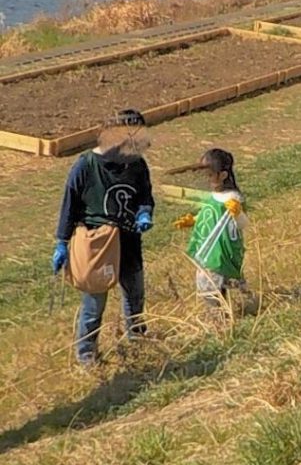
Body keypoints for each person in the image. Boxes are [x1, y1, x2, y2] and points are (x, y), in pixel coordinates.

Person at [52, 109, 155, 365]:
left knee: (135, 295)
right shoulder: (86, 165)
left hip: (129, 241)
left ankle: (137, 339)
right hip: (97, 245)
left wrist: (144, 213)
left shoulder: (136, 165)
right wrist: (62, 243)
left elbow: (145, 195)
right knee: (94, 304)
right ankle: (87, 355)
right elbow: (69, 204)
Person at [173, 148, 248, 309]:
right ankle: (222, 312)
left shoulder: (233, 198)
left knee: (211, 283)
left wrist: (237, 213)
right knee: (212, 281)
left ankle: (219, 316)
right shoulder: (213, 196)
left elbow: (242, 224)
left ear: (223, 175)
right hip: (210, 249)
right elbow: (210, 215)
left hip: (222, 251)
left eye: (209, 175)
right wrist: (193, 220)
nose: (206, 180)